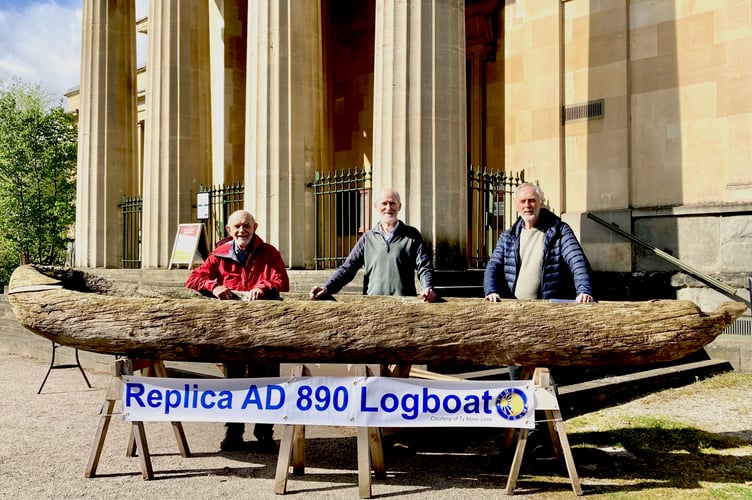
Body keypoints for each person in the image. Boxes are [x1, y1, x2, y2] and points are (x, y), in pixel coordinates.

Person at [186, 210, 289, 451]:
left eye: (247, 226)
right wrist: (214, 287)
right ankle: (234, 432)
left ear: (255, 227)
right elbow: (193, 279)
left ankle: (264, 433)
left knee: (266, 379)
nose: (242, 230)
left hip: (264, 331)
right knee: (233, 382)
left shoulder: (269, 252)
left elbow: (281, 281)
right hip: (232, 334)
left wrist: (263, 287)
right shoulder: (219, 255)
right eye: (238, 226)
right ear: (228, 230)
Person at [483, 182, 594, 379]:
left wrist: (583, 290)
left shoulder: (559, 230)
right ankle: (520, 409)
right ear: (517, 205)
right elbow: (493, 266)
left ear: (541, 203)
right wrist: (491, 290)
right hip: (516, 314)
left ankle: (545, 410)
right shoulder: (508, 236)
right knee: (517, 369)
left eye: (532, 200)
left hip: (546, 313)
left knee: (545, 373)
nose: (528, 205)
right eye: (523, 201)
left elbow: (576, 259)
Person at [309, 188, 436, 303]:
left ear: (399, 206)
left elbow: (424, 266)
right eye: (384, 203)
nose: (388, 207)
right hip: (373, 304)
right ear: (376, 206)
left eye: (392, 203)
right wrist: (327, 288)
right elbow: (347, 269)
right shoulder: (367, 238)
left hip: (405, 304)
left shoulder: (412, 235)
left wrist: (427, 287)